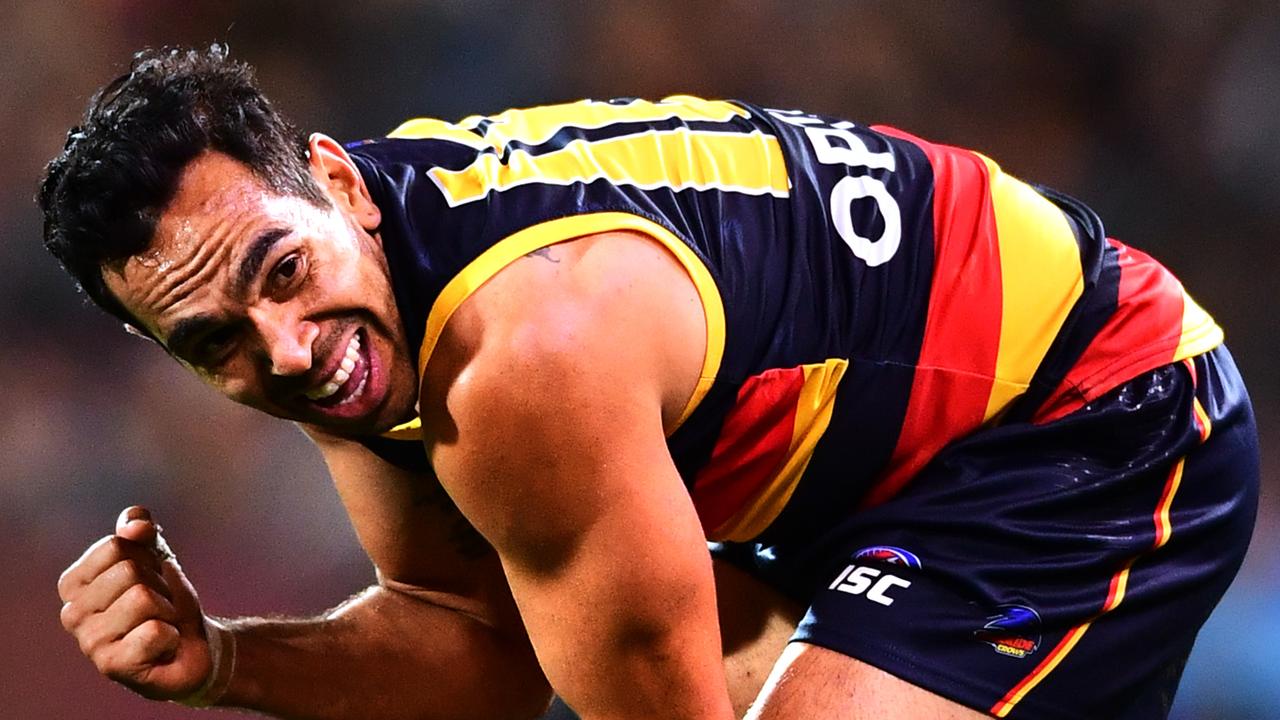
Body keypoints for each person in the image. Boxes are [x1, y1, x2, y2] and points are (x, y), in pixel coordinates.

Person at [44, 45, 1257, 720]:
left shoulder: (522, 359)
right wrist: (225, 659)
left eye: (279, 271)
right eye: (215, 343)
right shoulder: (355, 295)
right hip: (881, 486)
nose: (288, 349)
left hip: (1089, 418)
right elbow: (481, 645)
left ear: (335, 182)